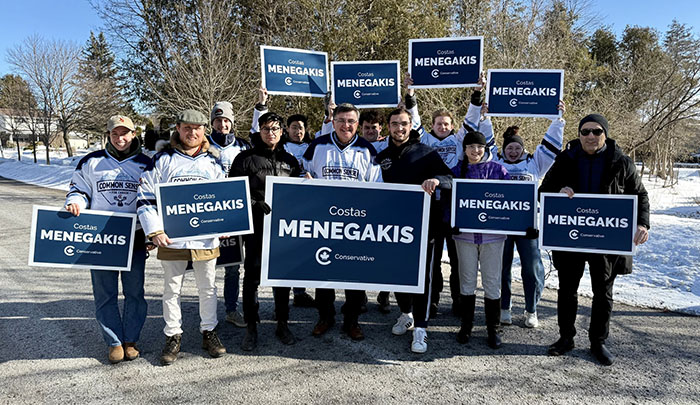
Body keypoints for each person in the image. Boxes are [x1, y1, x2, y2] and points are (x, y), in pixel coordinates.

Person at [540, 113, 650, 366]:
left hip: (606, 240)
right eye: (585, 131)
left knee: (603, 292)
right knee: (567, 290)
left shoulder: (621, 161)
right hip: (571, 239)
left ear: (605, 135)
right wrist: (558, 192)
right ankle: (566, 338)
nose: (591, 136)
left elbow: (640, 195)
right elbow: (542, 192)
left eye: (597, 131)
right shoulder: (565, 159)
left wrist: (642, 223)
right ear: (579, 135)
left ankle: (598, 342)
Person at [137, 109, 227, 366]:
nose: (192, 133)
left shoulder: (213, 162)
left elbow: (225, 197)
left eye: (197, 128)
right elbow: (145, 196)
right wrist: (154, 230)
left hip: (205, 238)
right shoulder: (162, 160)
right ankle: (173, 334)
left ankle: (209, 331)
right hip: (172, 237)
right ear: (177, 129)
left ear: (204, 131)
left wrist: (227, 222)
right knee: (172, 288)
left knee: (208, 287)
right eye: (187, 128)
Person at [65, 115, 150, 364]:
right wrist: (75, 202)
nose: (120, 138)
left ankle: (131, 339)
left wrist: (152, 232)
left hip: (134, 235)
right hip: (101, 237)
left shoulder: (146, 163)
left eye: (125, 133)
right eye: (115, 133)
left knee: (135, 291)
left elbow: (155, 198)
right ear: (109, 135)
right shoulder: (92, 162)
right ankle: (114, 341)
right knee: (105, 293)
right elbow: (79, 189)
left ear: (134, 134)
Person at [477, 96, 565, 328]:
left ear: (523, 148)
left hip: (527, 225)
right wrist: (484, 119)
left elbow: (551, 146)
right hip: (502, 223)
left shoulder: (534, 163)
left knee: (532, 268)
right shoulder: (495, 162)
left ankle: (531, 309)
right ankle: (504, 307)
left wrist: (558, 120)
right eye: (510, 148)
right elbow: (485, 142)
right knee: (502, 267)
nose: (513, 151)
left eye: (517, 148)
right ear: (504, 149)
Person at [302, 102, 383, 340]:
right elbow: (301, 173)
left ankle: (352, 320)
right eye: (341, 120)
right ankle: (325, 316)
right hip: (323, 221)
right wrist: (303, 180)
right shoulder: (317, 146)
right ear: (333, 122)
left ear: (357, 124)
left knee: (354, 272)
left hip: (356, 223)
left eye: (351, 121)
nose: (346, 125)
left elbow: (377, 185)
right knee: (323, 270)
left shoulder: (367, 149)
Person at [407, 73, 486, 318]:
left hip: (454, 208)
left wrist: (477, 94)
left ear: (452, 126)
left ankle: (458, 300)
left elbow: (471, 120)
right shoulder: (424, 139)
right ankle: (431, 300)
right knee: (432, 260)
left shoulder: (459, 140)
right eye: (438, 123)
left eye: (446, 124)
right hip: (431, 206)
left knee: (457, 259)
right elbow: (414, 119)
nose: (443, 127)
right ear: (432, 126)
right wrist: (410, 96)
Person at [375, 107, 453, 353]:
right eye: (395, 124)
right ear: (388, 127)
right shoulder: (381, 156)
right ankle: (406, 313)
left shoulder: (426, 152)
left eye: (404, 124)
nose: (399, 128)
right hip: (392, 227)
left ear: (411, 126)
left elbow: (450, 178)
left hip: (425, 226)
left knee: (423, 278)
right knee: (397, 273)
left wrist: (436, 180)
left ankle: (421, 328)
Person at [229, 112, 302, 350]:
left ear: (282, 131)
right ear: (259, 131)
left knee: (282, 276)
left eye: (275, 128)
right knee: (252, 277)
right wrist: (254, 203)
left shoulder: (291, 161)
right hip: (256, 227)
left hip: (282, 229)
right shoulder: (244, 159)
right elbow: (233, 192)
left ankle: (282, 323)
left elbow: (299, 194)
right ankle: (251, 326)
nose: (271, 133)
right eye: (266, 128)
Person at [253, 87, 316, 308]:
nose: (298, 131)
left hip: (293, 211)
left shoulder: (308, 149)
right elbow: (259, 130)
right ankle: (262, 307)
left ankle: (297, 295)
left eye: (302, 127)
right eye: (294, 127)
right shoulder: (278, 148)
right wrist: (262, 105)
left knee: (293, 256)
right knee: (263, 262)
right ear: (286, 130)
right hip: (265, 211)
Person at [451, 131, 510, 349]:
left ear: (485, 149)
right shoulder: (457, 171)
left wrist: (519, 224)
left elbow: (512, 199)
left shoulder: (498, 170)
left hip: (493, 237)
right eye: (471, 147)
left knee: (491, 281)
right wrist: (451, 220)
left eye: (480, 147)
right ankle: (466, 326)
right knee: (467, 281)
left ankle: (493, 328)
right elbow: (448, 201)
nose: (475, 151)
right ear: (464, 149)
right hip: (465, 236)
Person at [208, 101, 251, 328]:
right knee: (206, 266)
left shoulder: (243, 145)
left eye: (226, 120)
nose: (222, 124)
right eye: (218, 120)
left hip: (237, 212)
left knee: (234, 266)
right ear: (212, 123)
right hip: (210, 212)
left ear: (232, 122)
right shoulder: (203, 144)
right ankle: (206, 313)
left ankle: (231, 310)